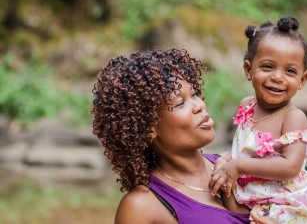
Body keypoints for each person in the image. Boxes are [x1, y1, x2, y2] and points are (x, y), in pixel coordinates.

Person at [91, 48, 279, 223]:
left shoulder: (237, 166)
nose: (200, 105)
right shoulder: (141, 207)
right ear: (148, 127)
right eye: (180, 103)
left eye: (195, 93)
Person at [209, 16, 307, 223]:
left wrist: (239, 166)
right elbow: (245, 147)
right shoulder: (247, 106)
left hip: (286, 203)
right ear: (248, 69)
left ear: (302, 80)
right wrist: (227, 158)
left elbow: (290, 167)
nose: (278, 77)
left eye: (290, 71)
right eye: (268, 66)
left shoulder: (293, 118)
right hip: (253, 191)